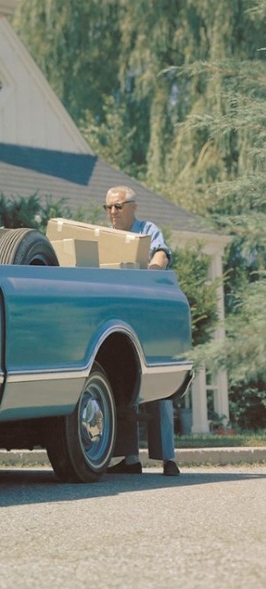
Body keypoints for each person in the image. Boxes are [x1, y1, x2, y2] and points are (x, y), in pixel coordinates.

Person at [103, 185, 180, 476]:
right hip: (121, 318)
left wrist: (148, 278)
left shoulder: (147, 230)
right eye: (108, 207)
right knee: (122, 385)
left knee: (158, 386)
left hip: (149, 314)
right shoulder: (107, 238)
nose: (112, 212)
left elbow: (160, 256)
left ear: (133, 207)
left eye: (118, 206)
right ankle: (130, 459)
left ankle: (168, 460)